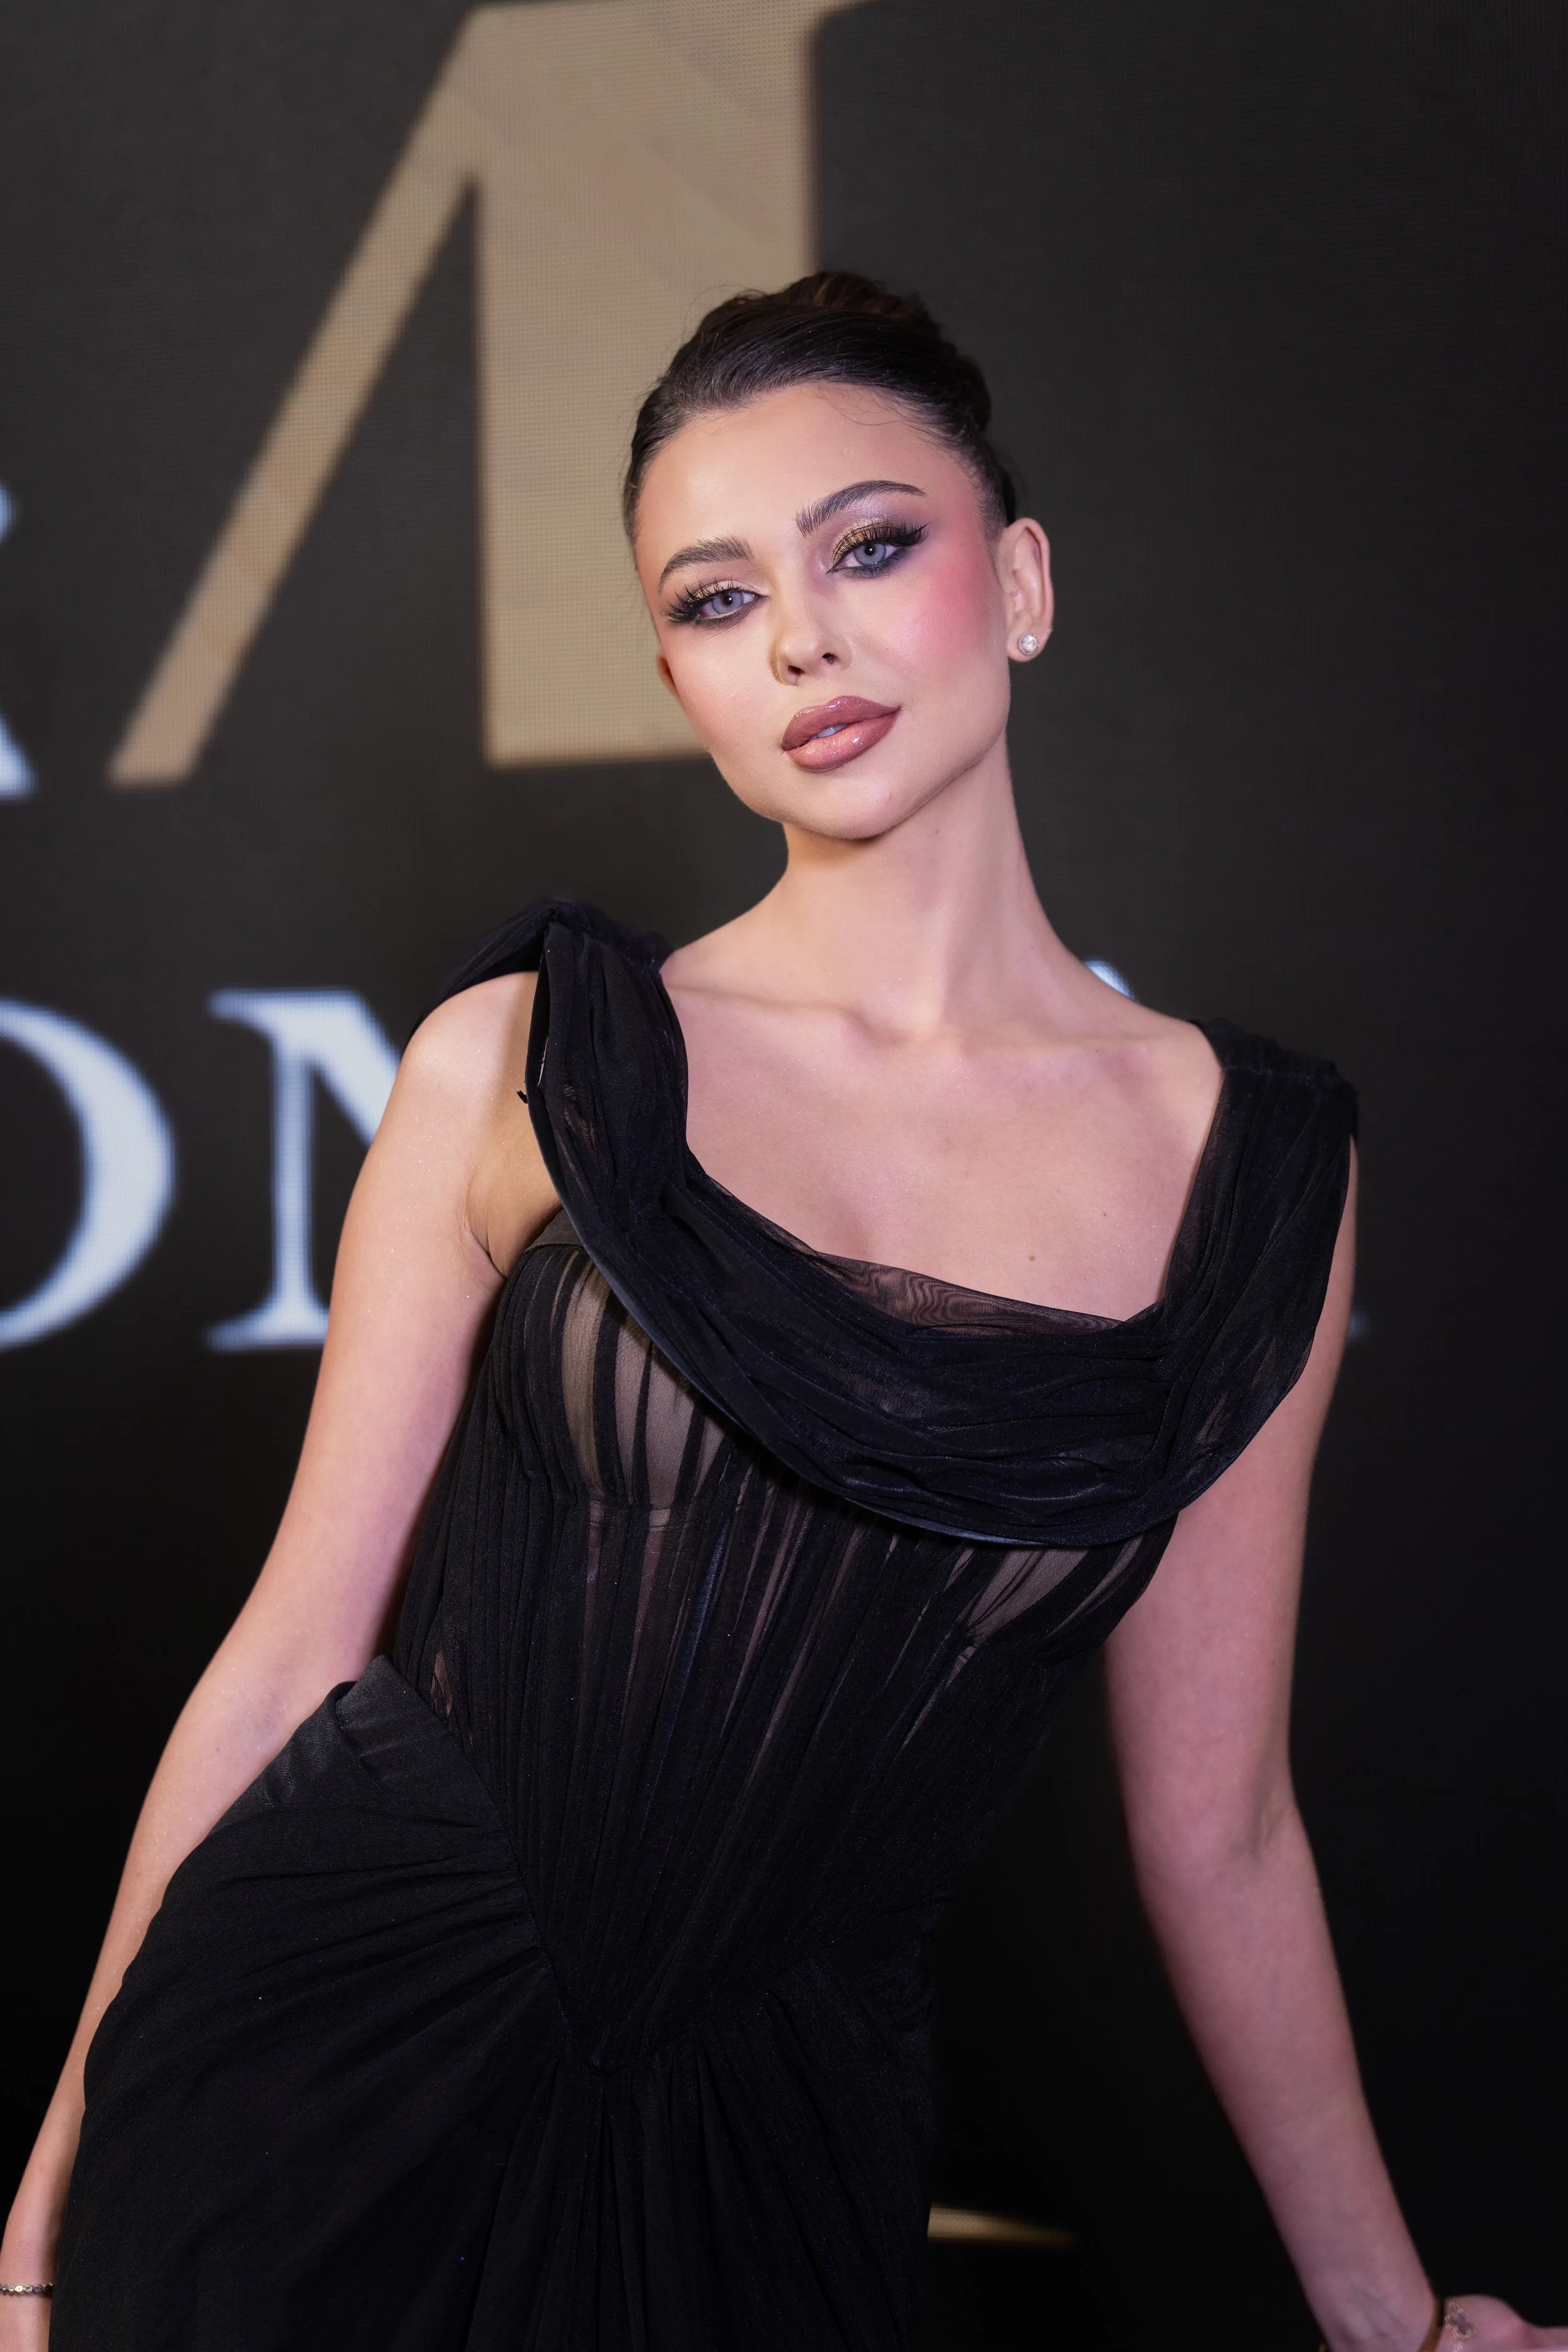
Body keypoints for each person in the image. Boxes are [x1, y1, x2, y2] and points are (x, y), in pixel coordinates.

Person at [3, 273, 1560, 2352]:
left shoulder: (1250, 1166)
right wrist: (46, 2198)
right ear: (674, 674)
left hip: (778, 2151)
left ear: (1014, 580)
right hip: (313, 2071)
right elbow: (291, 1654)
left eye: (869, 546)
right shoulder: (527, 1056)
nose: (803, 638)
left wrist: (1386, 2328)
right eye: (717, 599)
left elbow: (1223, 1825)